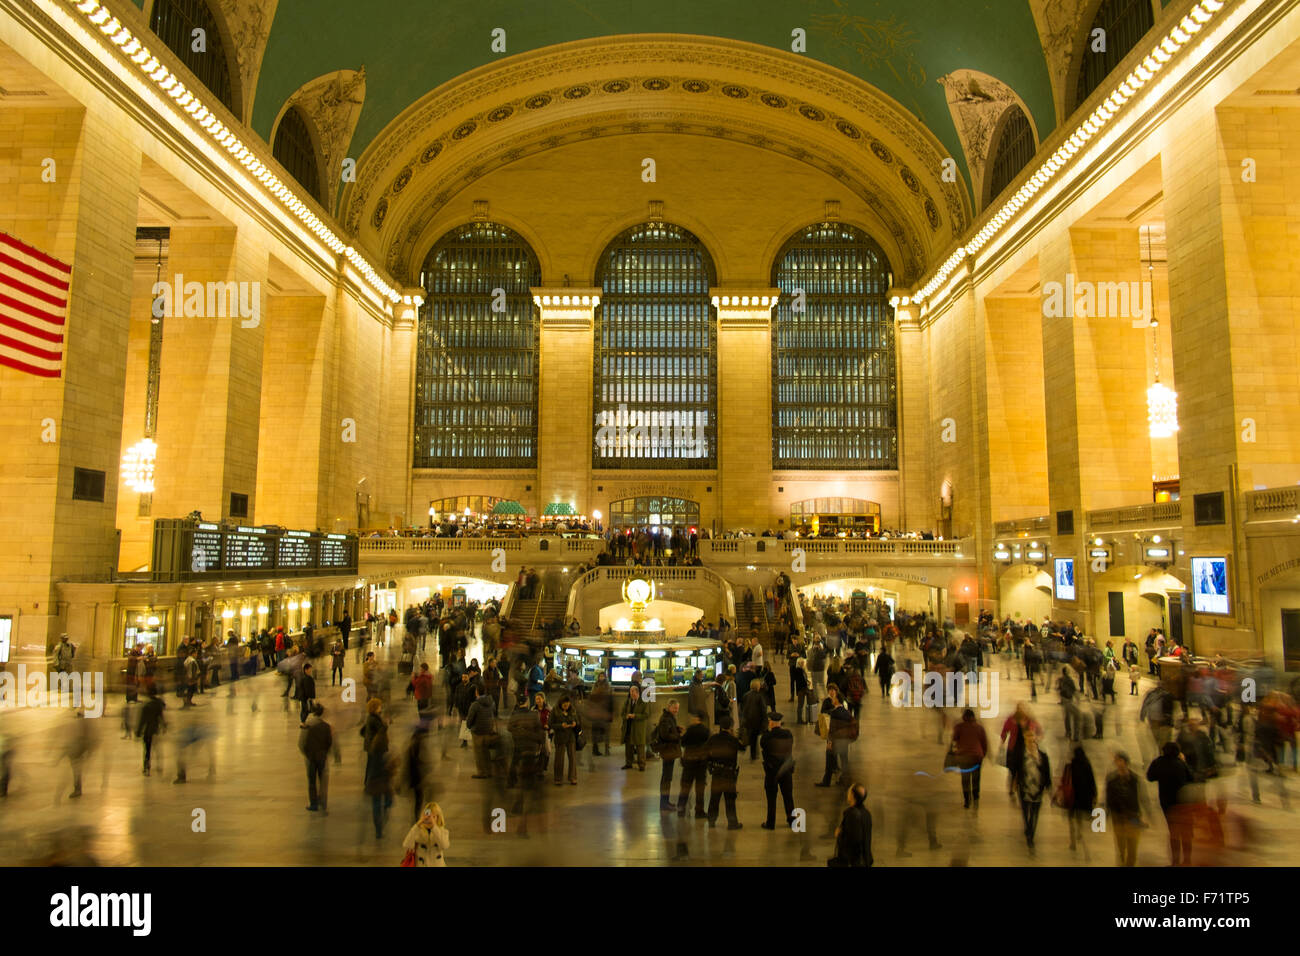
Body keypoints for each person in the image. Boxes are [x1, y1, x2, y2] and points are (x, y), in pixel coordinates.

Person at [1146, 741, 1194, 866]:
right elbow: (1191, 778)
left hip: (1167, 804)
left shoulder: (1158, 762)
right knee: (1186, 833)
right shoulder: (1181, 764)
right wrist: (1183, 762)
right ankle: (1187, 861)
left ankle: (1175, 861)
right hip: (1183, 803)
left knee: (1173, 833)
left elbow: (1150, 777)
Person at [1012, 729, 1051, 851]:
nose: (1031, 743)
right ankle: (1028, 827)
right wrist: (1014, 784)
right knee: (1025, 811)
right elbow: (1016, 770)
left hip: (1038, 789)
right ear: (1025, 741)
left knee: (1035, 813)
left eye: (1033, 740)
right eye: (1029, 741)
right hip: (1024, 788)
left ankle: (1031, 835)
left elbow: (1047, 772)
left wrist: (1049, 788)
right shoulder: (1021, 755)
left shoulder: (1043, 756)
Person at [361, 698, 394, 839]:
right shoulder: (374, 719)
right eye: (379, 706)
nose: (381, 707)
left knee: (369, 767)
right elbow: (382, 729)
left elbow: (362, 731)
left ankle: (378, 829)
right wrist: (386, 724)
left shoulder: (371, 718)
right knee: (380, 802)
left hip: (374, 775)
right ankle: (380, 826)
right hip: (380, 779)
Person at [1105, 751, 1145, 866]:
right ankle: (1122, 863)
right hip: (1117, 815)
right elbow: (1108, 797)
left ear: (1126, 762)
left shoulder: (1135, 779)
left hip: (1133, 815)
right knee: (1121, 846)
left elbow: (1141, 797)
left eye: (1119, 760)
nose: (1117, 763)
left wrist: (1145, 814)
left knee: (1133, 846)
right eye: (1116, 760)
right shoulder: (1111, 779)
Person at [299, 703, 339, 813]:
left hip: (311, 758)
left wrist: (307, 754)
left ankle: (313, 803)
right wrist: (326, 752)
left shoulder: (307, 725)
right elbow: (330, 742)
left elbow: (301, 743)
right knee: (323, 780)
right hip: (322, 757)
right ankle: (323, 801)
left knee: (312, 781)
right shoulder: (326, 726)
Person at [759, 711, 795, 830]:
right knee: (788, 796)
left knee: (771, 798)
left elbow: (763, 745)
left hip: (772, 771)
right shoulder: (788, 734)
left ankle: (771, 823)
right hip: (786, 770)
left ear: (771, 723)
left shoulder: (766, 737)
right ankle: (791, 821)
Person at [705, 716, 742, 829]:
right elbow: (742, 747)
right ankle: (732, 823)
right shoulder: (733, 740)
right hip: (729, 773)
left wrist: (710, 765)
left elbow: (706, 752)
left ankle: (711, 821)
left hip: (717, 772)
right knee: (730, 799)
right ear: (730, 727)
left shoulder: (713, 739)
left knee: (714, 798)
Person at [815, 684, 853, 787]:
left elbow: (833, 729)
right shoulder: (847, 713)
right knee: (844, 760)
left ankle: (826, 781)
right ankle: (845, 779)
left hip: (834, 741)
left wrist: (830, 742)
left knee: (829, 760)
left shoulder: (835, 713)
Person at [950, 708, 988, 809]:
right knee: (976, 778)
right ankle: (976, 796)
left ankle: (967, 800)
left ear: (964, 717)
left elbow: (954, 740)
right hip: (976, 757)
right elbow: (984, 743)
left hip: (964, 757)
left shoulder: (959, 727)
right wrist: (983, 754)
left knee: (965, 779)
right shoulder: (979, 728)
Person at [1063, 744, 1098, 855]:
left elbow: (1064, 781)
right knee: (1079, 818)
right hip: (1083, 798)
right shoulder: (1087, 765)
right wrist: (1094, 795)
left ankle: (1073, 840)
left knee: (1071, 819)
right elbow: (1092, 782)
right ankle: (1079, 832)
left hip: (1071, 798)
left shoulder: (1070, 765)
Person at [829, 783, 872, 867]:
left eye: (849, 791)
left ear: (852, 795)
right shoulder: (867, 814)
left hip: (854, 862)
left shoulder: (851, 814)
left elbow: (853, 839)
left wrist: (839, 834)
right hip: (865, 859)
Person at [677, 711, 709, 817]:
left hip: (689, 761)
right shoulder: (705, 731)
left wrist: (682, 734)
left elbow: (683, 742)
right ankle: (699, 811)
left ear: (697, 719)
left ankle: (681, 809)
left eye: (693, 717)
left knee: (685, 786)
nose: (692, 719)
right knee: (700, 788)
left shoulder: (690, 730)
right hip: (701, 762)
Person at [401, 802, 450, 867]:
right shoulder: (418, 831)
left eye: (433, 816)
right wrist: (418, 825)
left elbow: (444, 845)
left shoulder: (443, 832)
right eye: (427, 816)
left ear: (438, 818)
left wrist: (434, 827)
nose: (430, 819)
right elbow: (406, 844)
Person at [465, 685, 497, 778]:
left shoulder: (475, 704)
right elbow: (493, 713)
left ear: (477, 692)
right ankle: (489, 771)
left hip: (478, 732)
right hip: (488, 730)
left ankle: (482, 772)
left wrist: (469, 726)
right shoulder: (491, 702)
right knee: (486, 753)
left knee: (479, 753)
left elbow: (470, 719)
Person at [655, 699, 682, 810]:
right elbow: (665, 735)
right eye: (675, 708)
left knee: (667, 777)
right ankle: (664, 804)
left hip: (669, 751)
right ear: (669, 707)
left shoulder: (669, 717)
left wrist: (676, 729)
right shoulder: (666, 719)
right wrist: (677, 736)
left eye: (677, 709)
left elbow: (669, 731)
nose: (676, 710)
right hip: (667, 751)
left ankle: (665, 802)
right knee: (666, 778)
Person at [551, 694, 581, 786]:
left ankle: (573, 777)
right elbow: (551, 724)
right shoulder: (555, 711)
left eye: (567, 705)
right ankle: (558, 778)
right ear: (561, 704)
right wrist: (560, 726)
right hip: (560, 738)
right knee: (559, 759)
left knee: (572, 758)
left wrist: (575, 724)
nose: (566, 706)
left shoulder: (573, 710)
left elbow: (578, 721)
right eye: (564, 705)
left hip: (571, 737)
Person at [136, 687, 166, 776]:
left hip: (148, 731)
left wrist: (138, 731)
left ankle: (146, 767)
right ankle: (159, 766)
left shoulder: (146, 706)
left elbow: (142, 720)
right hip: (156, 730)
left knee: (147, 750)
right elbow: (161, 716)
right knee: (157, 749)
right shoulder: (158, 704)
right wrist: (164, 726)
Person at [621, 684, 650, 771]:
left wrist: (635, 716)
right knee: (628, 747)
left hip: (638, 729)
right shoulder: (628, 702)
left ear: (637, 693)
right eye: (631, 693)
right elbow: (622, 713)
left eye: (633, 693)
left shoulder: (644, 702)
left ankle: (642, 765)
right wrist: (626, 716)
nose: (632, 695)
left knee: (640, 747)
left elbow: (646, 715)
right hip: (628, 727)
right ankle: (628, 763)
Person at [741, 678, 768, 761]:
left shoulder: (746, 695)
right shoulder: (759, 696)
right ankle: (754, 754)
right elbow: (763, 709)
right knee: (755, 737)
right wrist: (765, 720)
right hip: (757, 720)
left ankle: (752, 752)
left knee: (751, 736)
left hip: (747, 720)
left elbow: (742, 707)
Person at [587, 675, 613, 756]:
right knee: (604, 734)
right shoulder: (607, 693)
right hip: (602, 717)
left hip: (599, 717)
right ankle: (604, 749)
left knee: (597, 734)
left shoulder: (594, 694)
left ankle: (598, 749)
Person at [296, 662, 317, 726]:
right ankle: (302, 723)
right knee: (306, 710)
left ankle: (303, 722)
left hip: (303, 697)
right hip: (306, 697)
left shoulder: (304, 677)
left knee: (304, 709)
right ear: (306, 670)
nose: (311, 670)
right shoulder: (307, 678)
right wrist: (310, 697)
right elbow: (308, 689)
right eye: (310, 669)